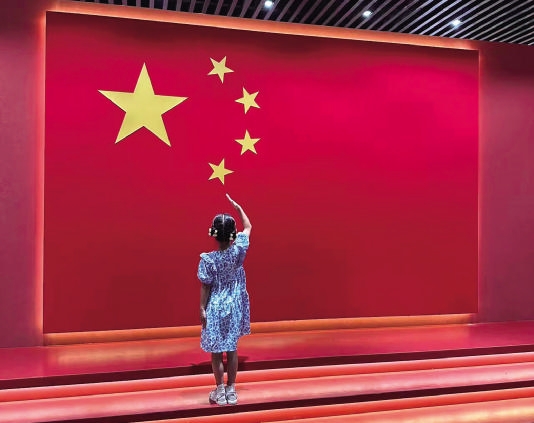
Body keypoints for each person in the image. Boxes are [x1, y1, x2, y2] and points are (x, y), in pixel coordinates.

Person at [198, 193, 252, 406]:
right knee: (232, 349)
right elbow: (248, 227)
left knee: (216, 351)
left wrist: (202, 308)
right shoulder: (238, 252)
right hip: (234, 305)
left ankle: (220, 390)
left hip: (216, 306)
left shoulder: (208, 260)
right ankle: (232, 389)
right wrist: (238, 208)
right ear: (232, 235)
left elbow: (205, 286)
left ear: (214, 234)